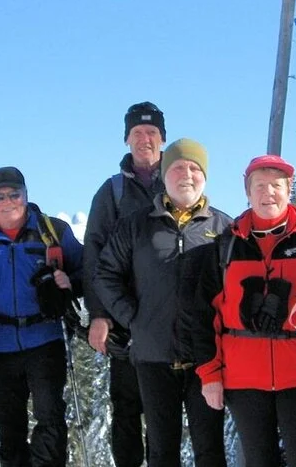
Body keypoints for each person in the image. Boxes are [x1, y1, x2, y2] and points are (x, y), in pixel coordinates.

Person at [180, 154, 296, 467]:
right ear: (247, 193)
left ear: (289, 191)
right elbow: (205, 317)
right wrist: (209, 374)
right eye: (260, 185)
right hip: (243, 378)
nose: (268, 192)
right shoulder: (228, 245)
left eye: (276, 185)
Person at [95, 139, 231, 467]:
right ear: (165, 176)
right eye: (178, 167)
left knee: (210, 450)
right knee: (160, 450)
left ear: (205, 177)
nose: (187, 174)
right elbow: (105, 274)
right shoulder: (137, 224)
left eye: (195, 168)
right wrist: (133, 318)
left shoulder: (224, 228)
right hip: (153, 357)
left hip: (206, 359)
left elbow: (235, 289)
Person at [0, 167, 84, 467]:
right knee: (9, 427)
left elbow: (86, 271)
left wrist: (70, 284)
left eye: (15, 194)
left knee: (50, 418)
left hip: (45, 338)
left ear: (26, 195)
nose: (8, 201)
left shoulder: (54, 231)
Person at [83, 101, 167, 467]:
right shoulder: (113, 191)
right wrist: (99, 314)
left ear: (163, 139)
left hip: (169, 319)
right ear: (126, 139)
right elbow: (93, 254)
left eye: (151, 133)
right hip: (124, 319)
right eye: (137, 134)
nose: (144, 140)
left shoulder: (181, 179)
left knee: (165, 412)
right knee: (128, 409)